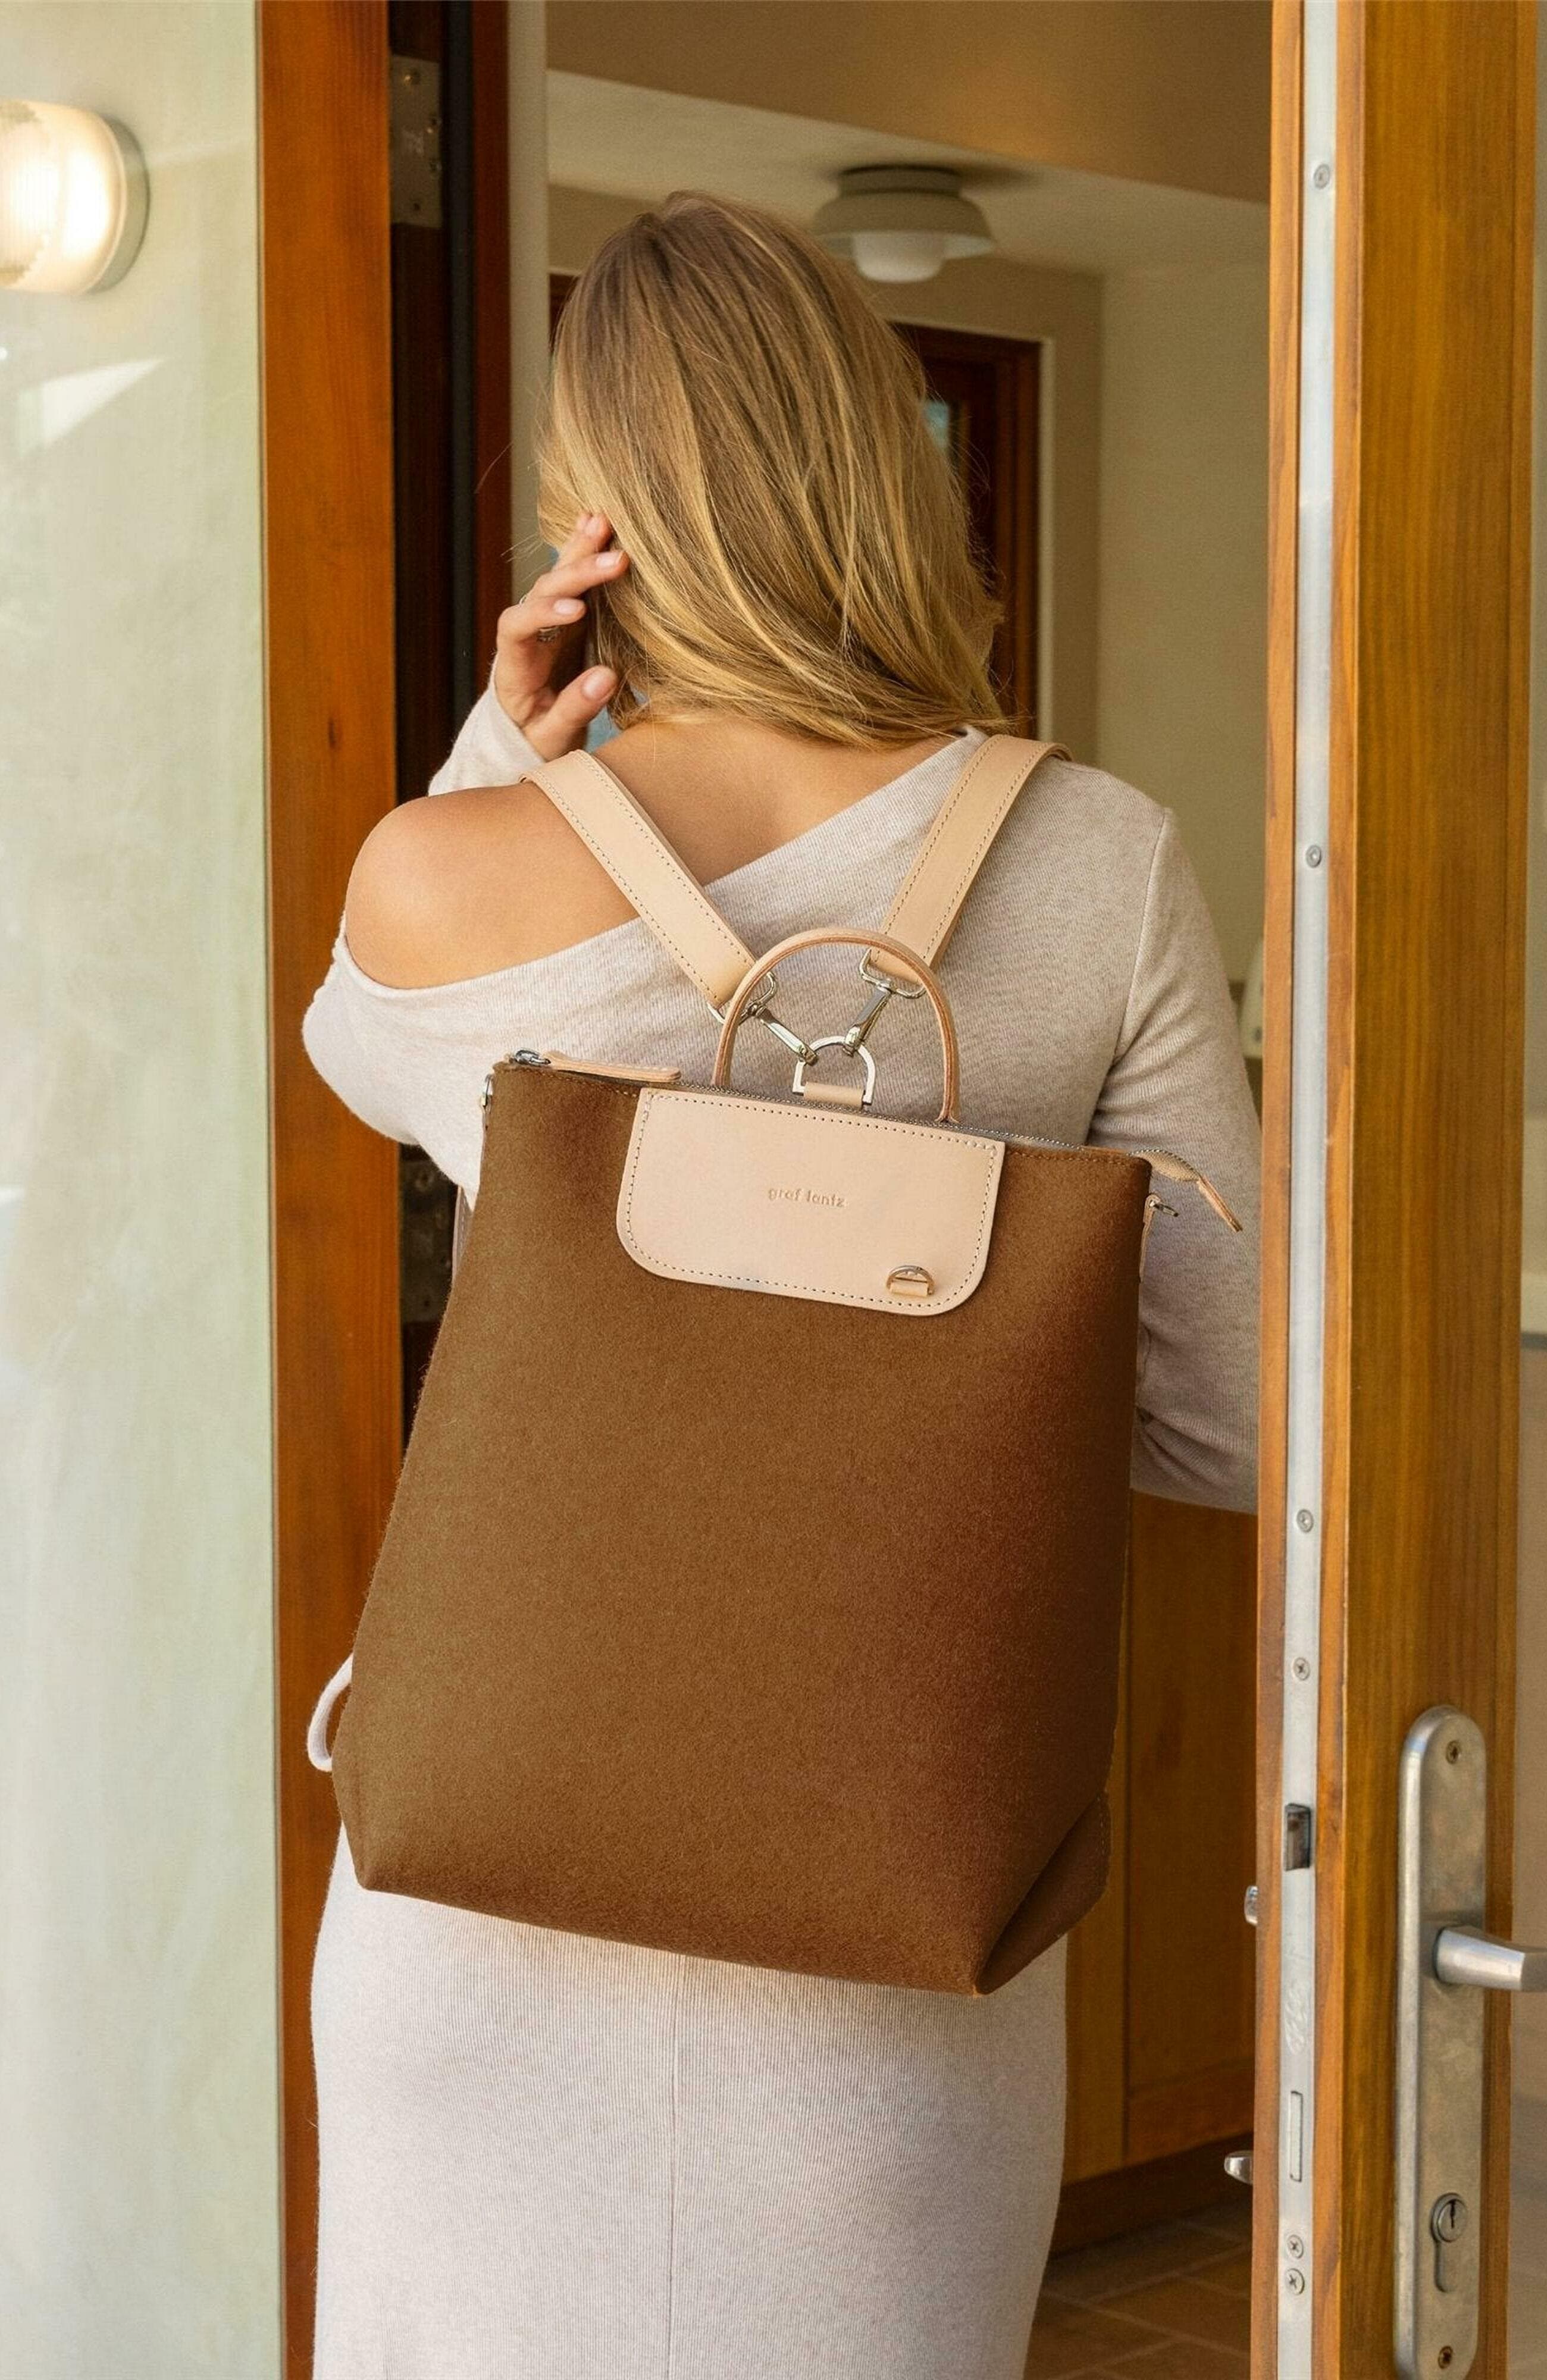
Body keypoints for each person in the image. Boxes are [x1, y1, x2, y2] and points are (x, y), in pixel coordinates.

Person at [302, 190, 1258, 2380]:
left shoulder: (440, 871)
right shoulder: (1094, 860)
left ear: (596, 521)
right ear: (876, 467)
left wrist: (504, 752)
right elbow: (1227, 1417)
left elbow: (366, 1066)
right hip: (888, 1925)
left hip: (477, 1905)